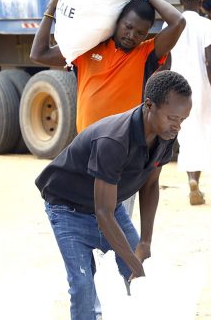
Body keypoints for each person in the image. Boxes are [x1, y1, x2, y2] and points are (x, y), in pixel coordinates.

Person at [35, 70, 192, 320]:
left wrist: (145, 243)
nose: (177, 126)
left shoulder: (165, 134)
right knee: (83, 286)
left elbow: (151, 184)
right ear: (149, 105)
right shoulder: (114, 139)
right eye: (173, 118)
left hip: (110, 207)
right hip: (68, 209)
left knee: (142, 274)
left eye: (183, 119)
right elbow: (103, 213)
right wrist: (133, 263)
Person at [30, 0, 185, 216]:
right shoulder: (87, 49)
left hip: (124, 154)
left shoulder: (145, 54)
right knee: (85, 218)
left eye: (140, 32)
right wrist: (51, 8)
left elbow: (178, 22)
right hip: (86, 150)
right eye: (128, 27)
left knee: (115, 221)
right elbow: (38, 54)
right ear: (117, 22)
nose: (132, 35)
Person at [169, 0, 211, 205]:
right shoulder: (207, 25)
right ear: (201, 1)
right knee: (202, 133)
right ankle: (196, 181)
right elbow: (210, 62)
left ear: (181, 2)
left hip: (177, 86)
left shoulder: (171, 23)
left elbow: (165, 60)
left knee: (184, 133)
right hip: (201, 88)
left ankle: (190, 180)